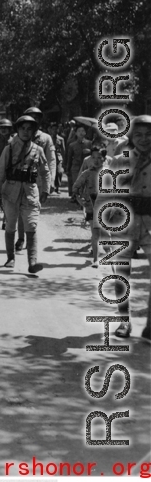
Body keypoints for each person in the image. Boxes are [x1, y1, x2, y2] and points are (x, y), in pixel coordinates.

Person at [95, 115, 151, 340]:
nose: (144, 139)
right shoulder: (119, 161)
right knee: (121, 273)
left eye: (149, 135)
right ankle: (123, 321)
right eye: (138, 135)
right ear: (131, 137)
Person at [0, 115, 50, 273]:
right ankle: (10, 257)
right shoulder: (9, 148)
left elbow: (45, 172)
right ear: (17, 130)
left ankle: (32, 262)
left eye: (29, 129)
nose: (25, 131)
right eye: (22, 128)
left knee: (31, 225)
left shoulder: (38, 150)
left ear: (33, 132)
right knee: (10, 225)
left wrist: (46, 190)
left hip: (30, 192)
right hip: (11, 192)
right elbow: (0, 171)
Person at [72, 147, 107, 267]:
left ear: (104, 159)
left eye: (99, 158)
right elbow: (75, 187)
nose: (96, 160)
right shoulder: (87, 173)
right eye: (93, 157)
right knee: (96, 233)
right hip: (91, 206)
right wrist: (79, 199)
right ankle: (95, 259)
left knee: (107, 234)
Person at [24, 107, 57, 195]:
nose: (33, 120)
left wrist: (51, 180)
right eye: (30, 117)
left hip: (38, 179)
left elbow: (51, 160)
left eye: (36, 118)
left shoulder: (45, 138)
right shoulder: (17, 137)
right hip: (19, 179)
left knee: (35, 207)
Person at [66, 125, 92, 201]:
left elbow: (95, 154)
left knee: (85, 183)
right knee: (76, 182)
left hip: (86, 167)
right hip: (75, 167)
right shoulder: (72, 145)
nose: (81, 133)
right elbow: (69, 158)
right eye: (79, 131)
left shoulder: (89, 143)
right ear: (76, 133)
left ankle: (83, 198)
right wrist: (68, 169)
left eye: (82, 131)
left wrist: (90, 151)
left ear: (85, 133)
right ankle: (76, 197)